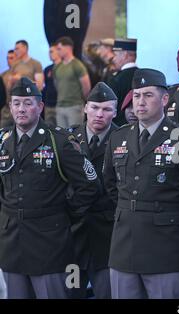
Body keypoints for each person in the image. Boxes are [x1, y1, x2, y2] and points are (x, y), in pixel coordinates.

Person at [103, 68, 179, 299]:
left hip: (165, 244)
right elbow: (111, 185)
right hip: (124, 243)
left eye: (148, 95)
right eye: (137, 95)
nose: (140, 102)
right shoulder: (118, 137)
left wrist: (174, 220)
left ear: (164, 99)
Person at [0, 77, 99, 299]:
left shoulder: (59, 140)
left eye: (27, 103)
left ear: (40, 107)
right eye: (16, 103)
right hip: (11, 244)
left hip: (49, 245)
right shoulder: (3, 141)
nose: (21, 109)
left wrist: (66, 214)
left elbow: (90, 185)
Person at [68, 82, 118, 299]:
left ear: (115, 112)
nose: (100, 114)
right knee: (71, 294)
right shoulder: (67, 140)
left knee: (107, 293)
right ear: (85, 108)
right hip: (73, 240)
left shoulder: (124, 139)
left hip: (107, 240)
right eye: (95, 107)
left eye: (107, 109)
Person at [54, 36, 91, 128]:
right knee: (62, 136)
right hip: (60, 106)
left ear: (68, 48)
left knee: (75, 136)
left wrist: (80, 100)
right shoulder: (57, 67)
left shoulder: (77, 65)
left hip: (74, 106)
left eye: (59, 49)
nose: (57, 52)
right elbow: (57, 85)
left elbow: (86, 87)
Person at [107, 38, 138, 126]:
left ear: (124, 55)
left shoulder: (116, 79)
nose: (113, 59)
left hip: (119, 128)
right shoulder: (143, 76)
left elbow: (111, 107)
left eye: (115, 55)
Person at [42, 43, 61, 126]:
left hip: (60, 105)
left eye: (52, 51)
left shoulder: (65, 67)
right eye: (49, 52)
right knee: (49, 130)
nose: (50, 54)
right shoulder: (47, 69)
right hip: (49, 105)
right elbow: (45, 86)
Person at [0, 50, 16, 128]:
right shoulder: (2, 75)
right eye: (7, 58)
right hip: (5, 111)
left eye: (11, 58)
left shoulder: (22, 74)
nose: (9, 60)